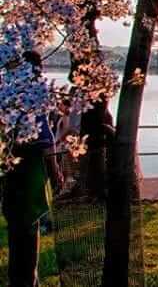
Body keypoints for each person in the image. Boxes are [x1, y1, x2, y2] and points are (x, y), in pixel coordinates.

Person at [3, 52, 61, 287]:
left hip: (9, 162)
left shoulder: (7, 90)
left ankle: (20, 277)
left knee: (17, 222)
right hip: (29, 163)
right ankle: (26, 279)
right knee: (28, 222)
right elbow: (45, 137)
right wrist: (55, 168)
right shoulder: (36, 92)